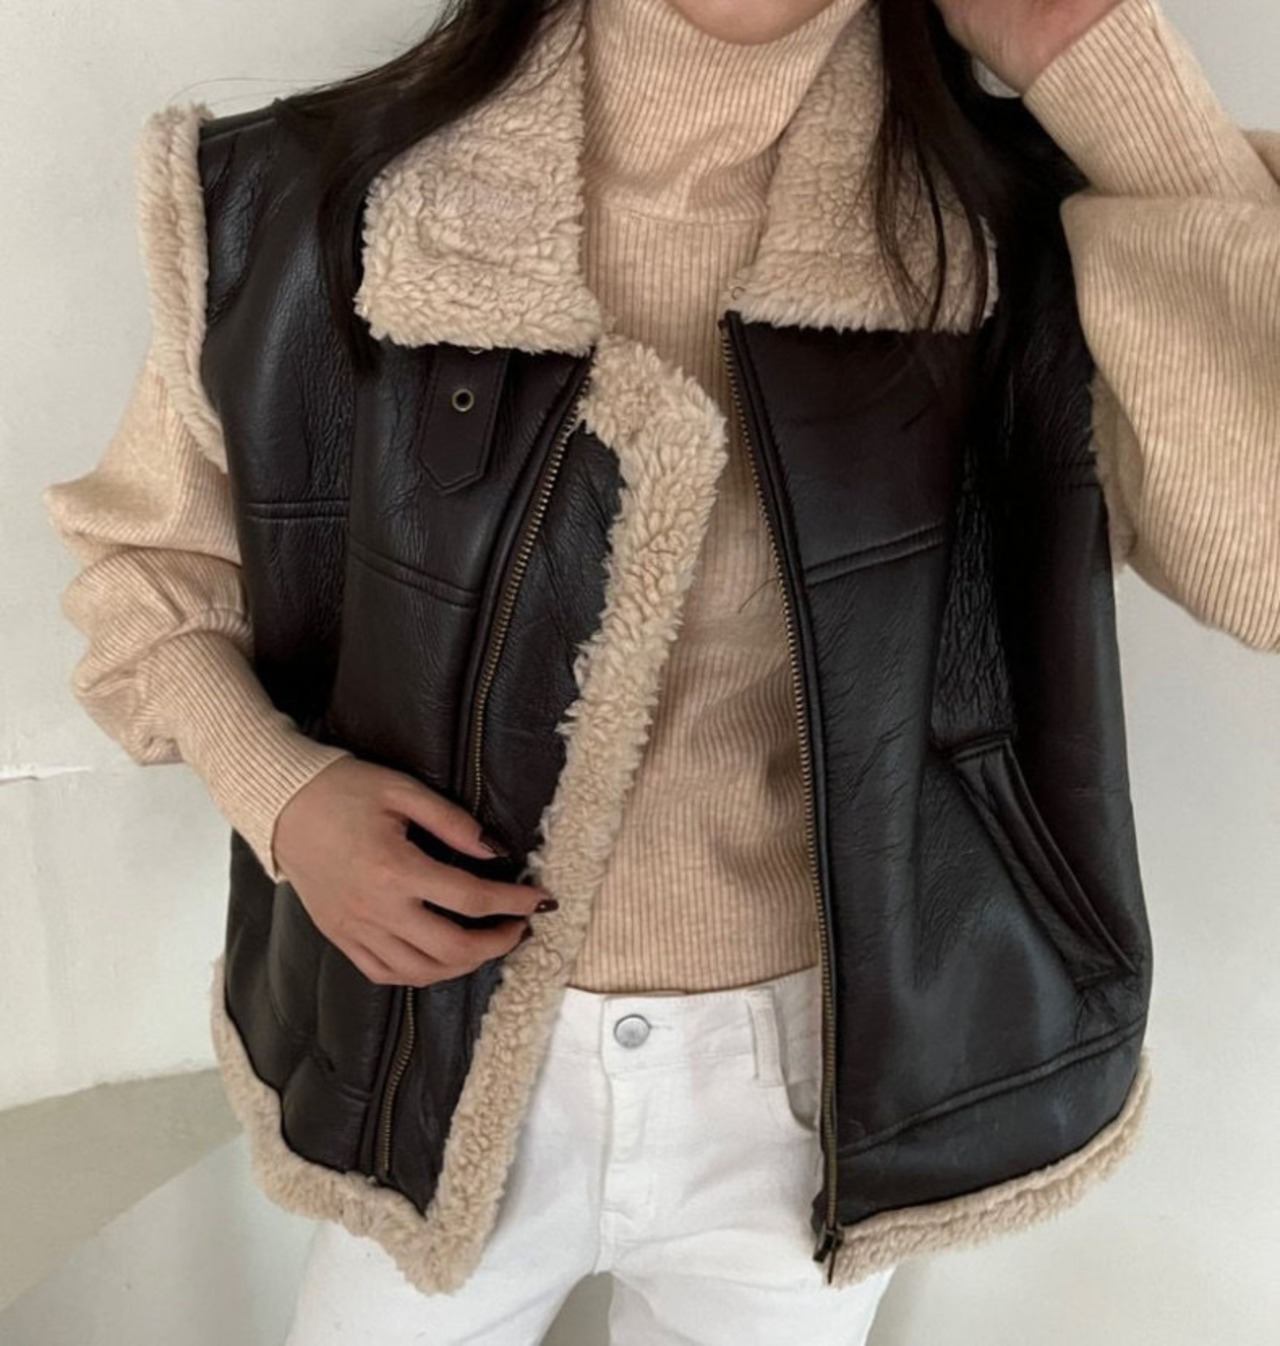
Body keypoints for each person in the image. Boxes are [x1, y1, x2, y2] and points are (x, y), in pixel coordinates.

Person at [42, 0, 1279, 1341]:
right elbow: (150, 575)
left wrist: (1087, 52)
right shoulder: (312, 202)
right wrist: (284, 797)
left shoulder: (1018, 237)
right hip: (424, 1055)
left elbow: (1260, 565)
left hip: (817, 1107)